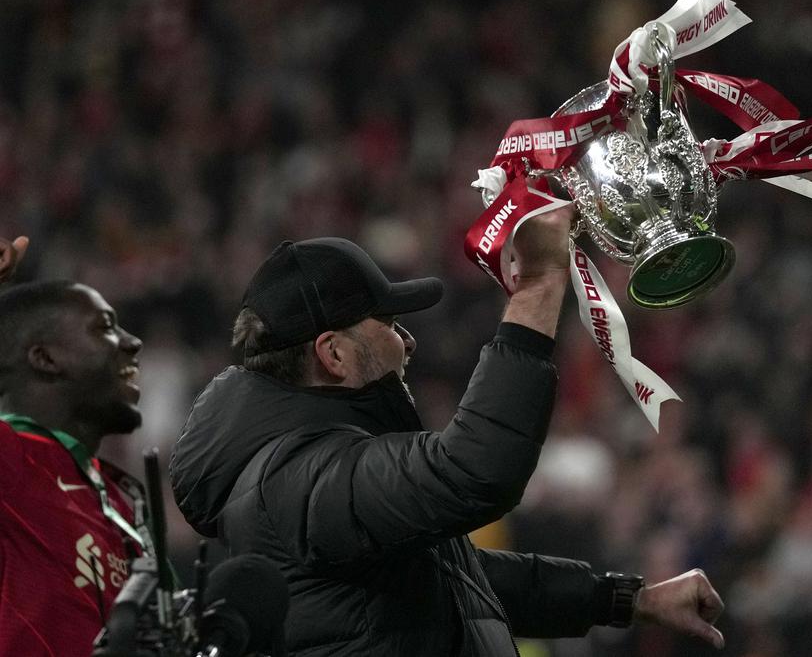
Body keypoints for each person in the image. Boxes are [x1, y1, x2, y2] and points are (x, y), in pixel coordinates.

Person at [168, 207, 726, 656]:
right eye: (388, 324)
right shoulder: (291, 481)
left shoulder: (306, 472)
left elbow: (461, 581)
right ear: (333, 353)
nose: (407, 341)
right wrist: (537, 289)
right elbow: (476, 470)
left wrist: (631, 601)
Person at [0, 274, 149, 657]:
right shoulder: (11, 457)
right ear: (45, 358)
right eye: (105, 327)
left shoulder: (125, 503)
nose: (133, 343)